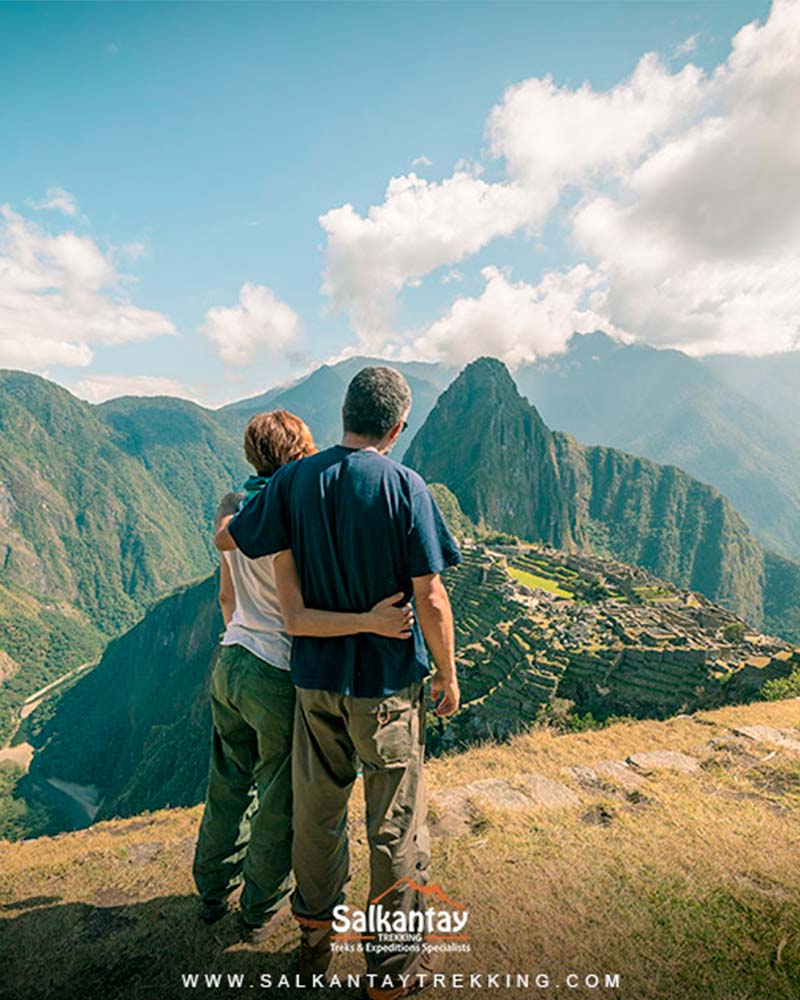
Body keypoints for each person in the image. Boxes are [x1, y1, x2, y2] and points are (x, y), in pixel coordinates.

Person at [217, 367, 461, 997]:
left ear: (345, 414)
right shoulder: (405, 486)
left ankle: (313, 938)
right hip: (384, 689)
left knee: (319, 816)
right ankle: (392, 969)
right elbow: (430, 597)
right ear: (397, 427)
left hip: (314, 685)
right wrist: (449, 674)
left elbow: (235, 537)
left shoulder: (296, 479)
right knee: (394, 826)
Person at [193, 409, 414, 943]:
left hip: (232, 659)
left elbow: (227, 595)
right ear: (299, 453)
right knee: (278, 797)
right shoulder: (294, 511)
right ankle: (257, 907)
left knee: (226, 784)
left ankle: (209, 890)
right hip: (275, 668)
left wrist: (241, 642)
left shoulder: (239, 511)